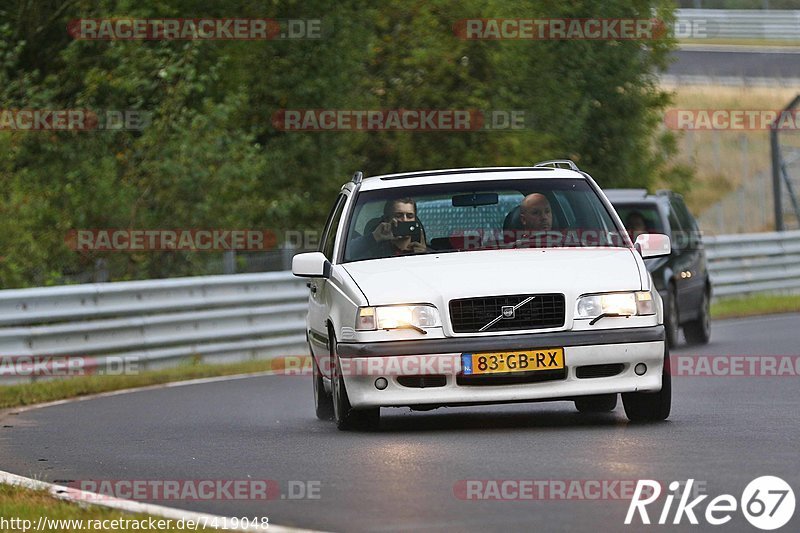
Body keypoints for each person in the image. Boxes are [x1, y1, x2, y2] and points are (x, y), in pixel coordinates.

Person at [348, 198, 428, 260]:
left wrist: (425, 255)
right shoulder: (373, 254)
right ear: (387, 219)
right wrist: (374, 237)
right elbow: (346, 253)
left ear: (415, 220)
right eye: (399, 215)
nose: (405, 220)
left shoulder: (428, 252)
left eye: (410, 216)